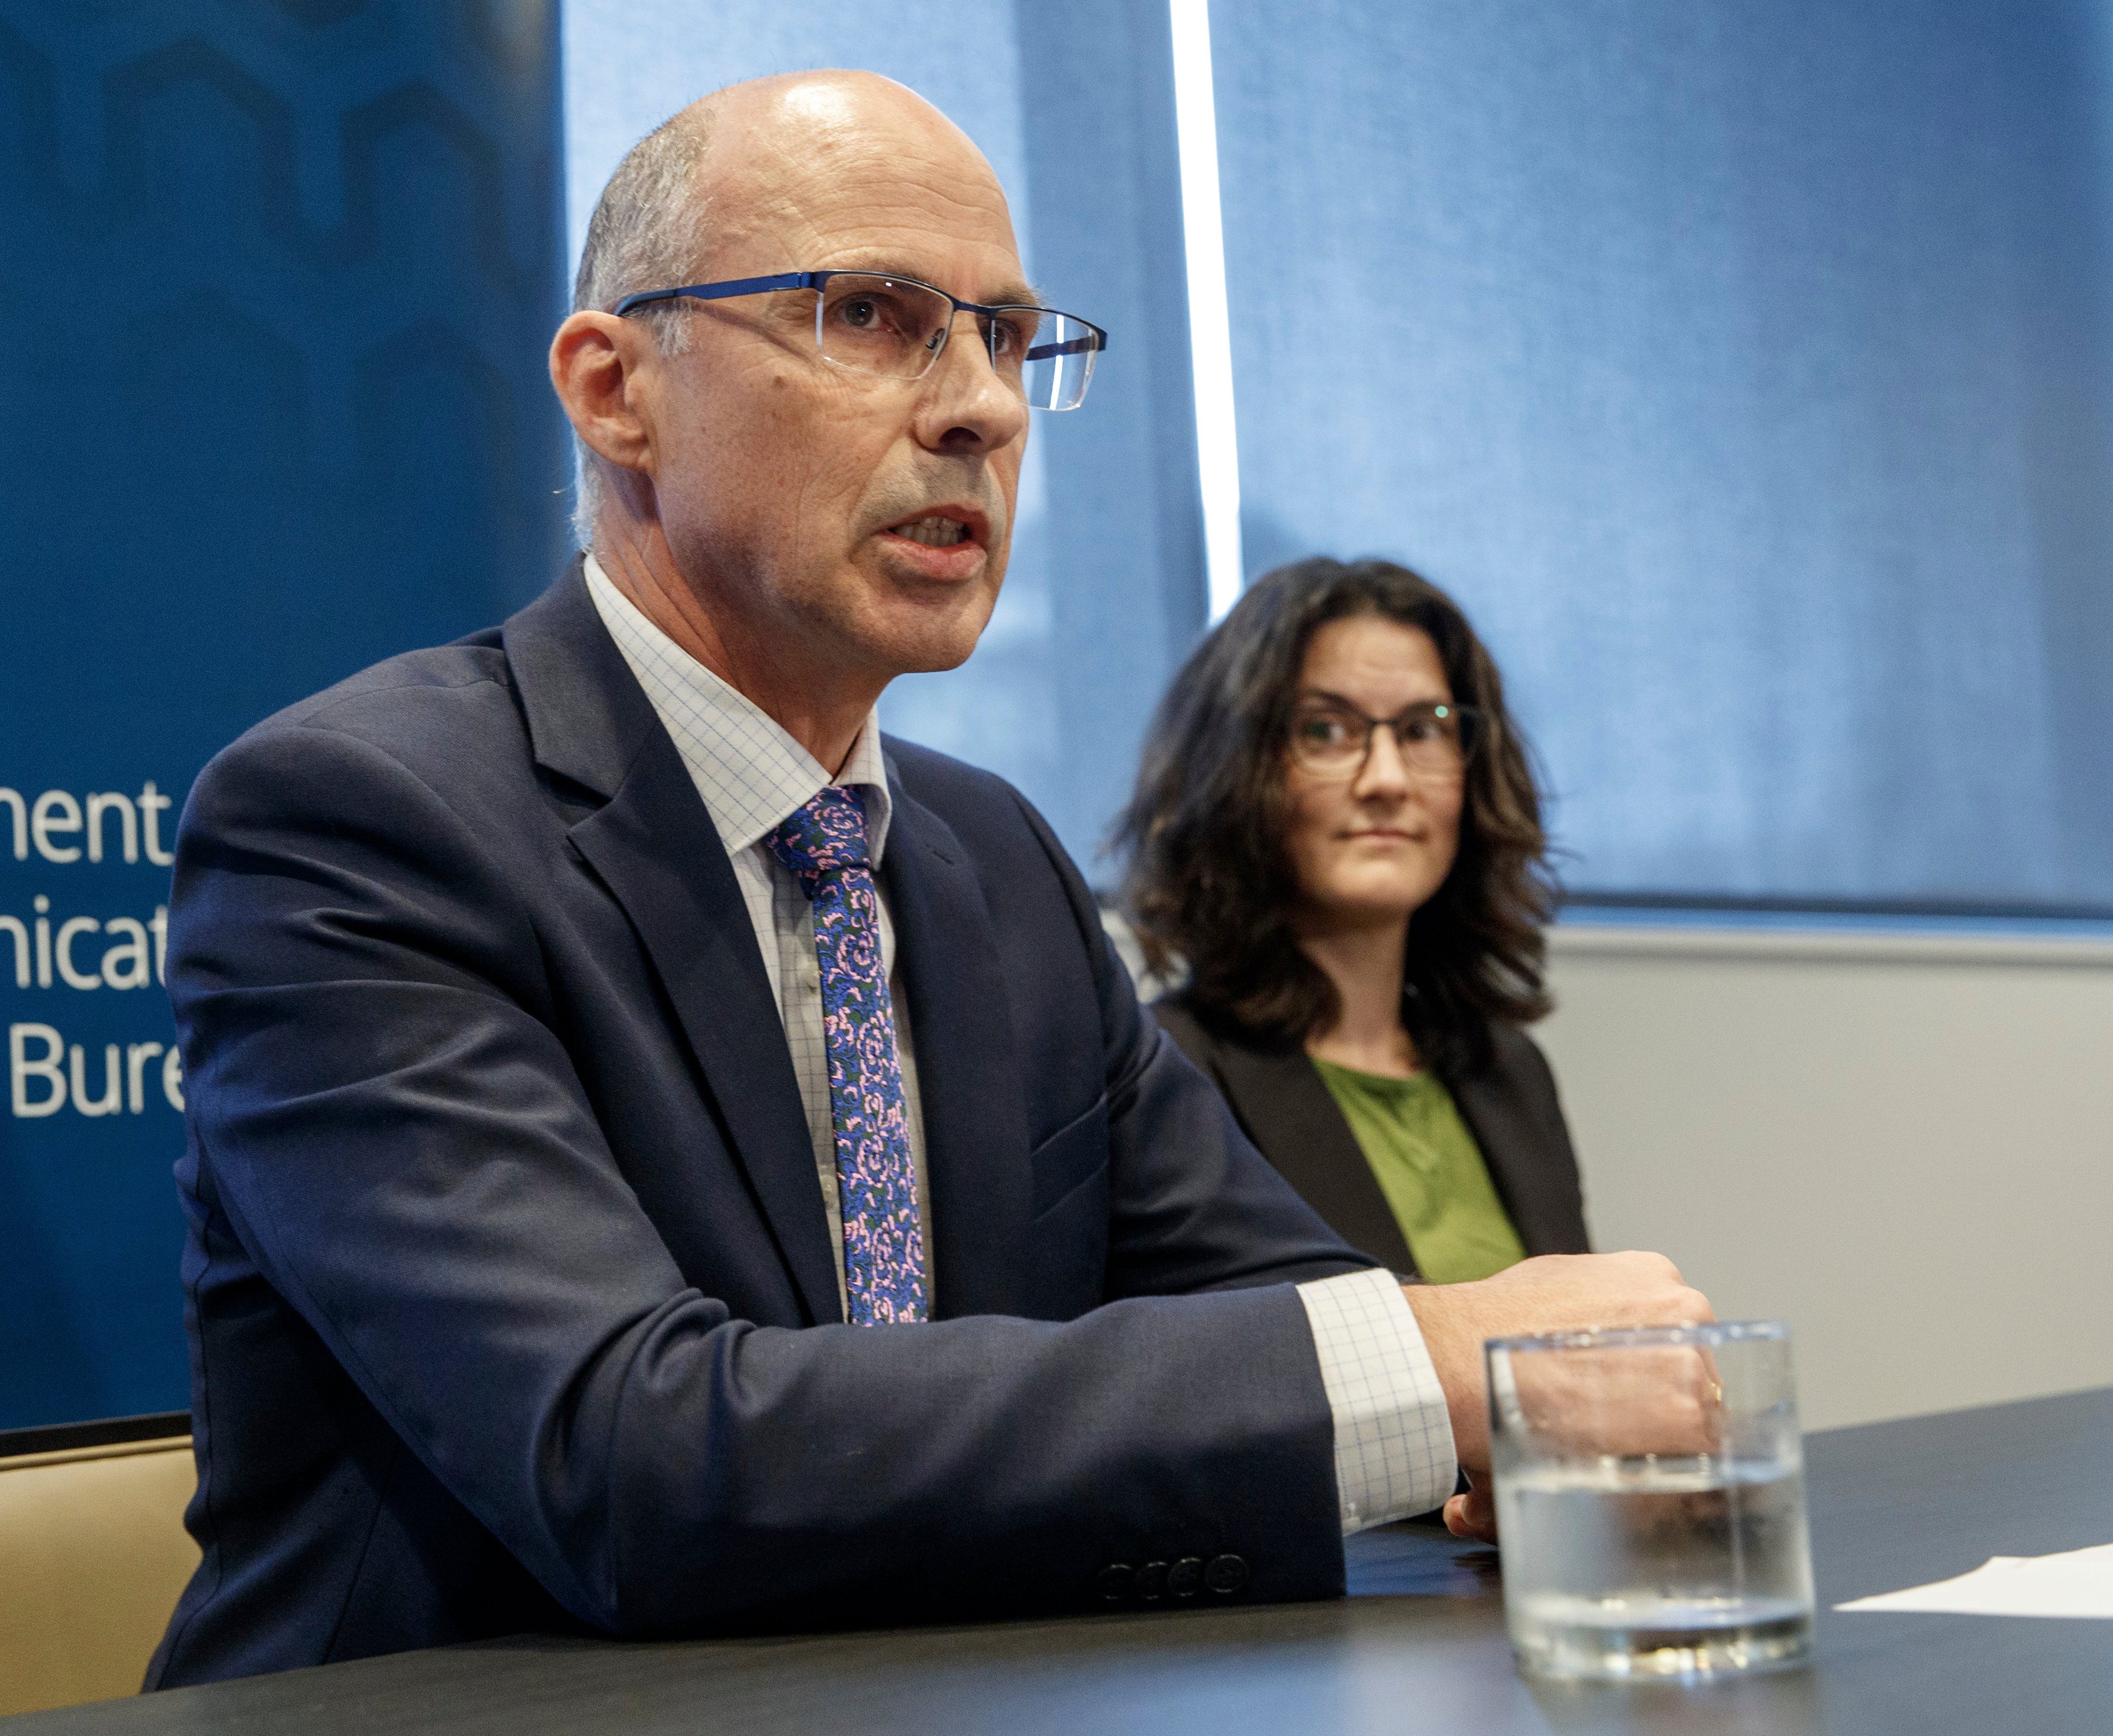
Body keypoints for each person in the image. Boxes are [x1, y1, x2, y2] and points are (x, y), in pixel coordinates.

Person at [146, 72, 1705, 1690]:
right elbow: (627, 1455)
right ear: (617, 388)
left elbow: (1281, 1304)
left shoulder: (995, 861)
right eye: (876, 315)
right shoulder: (357, 820)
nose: (984, 407)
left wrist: (1491, 1422)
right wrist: (1439, 1357)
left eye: (1008, 337)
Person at [1118, 558, 1589, 1283]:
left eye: (1422, 729)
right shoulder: (1167, 1074)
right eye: (1326, 730)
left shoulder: (1508, 1068)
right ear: (1233, 770)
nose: (1386, 780)